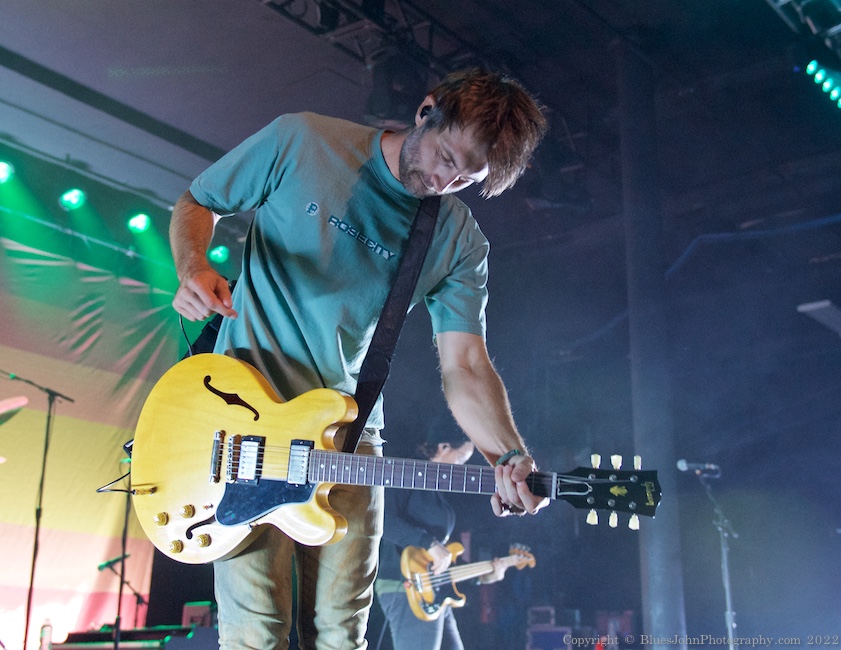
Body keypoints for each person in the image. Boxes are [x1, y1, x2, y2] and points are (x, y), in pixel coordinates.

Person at [169, 67, 548, 649]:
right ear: (427, 111)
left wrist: (510, 455)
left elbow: (466, 365)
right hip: (243, 420)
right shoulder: (302, 140)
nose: (445, 180)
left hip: (347, 437)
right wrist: (195, 266)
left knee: (343, 636)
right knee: (257, 632)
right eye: (446, 155)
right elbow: (199, 200)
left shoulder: (457, 241)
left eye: (466, 177)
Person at [375, 426, 510, 650]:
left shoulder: (431, 486)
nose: (461, 466)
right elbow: (380, 519)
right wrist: (428, 543)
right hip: (406, 587)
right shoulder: (407, 471)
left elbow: (442, 559)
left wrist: (481, 576)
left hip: (434, 589)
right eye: (460, 458)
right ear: (444, 447)